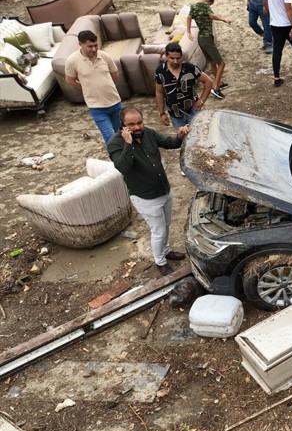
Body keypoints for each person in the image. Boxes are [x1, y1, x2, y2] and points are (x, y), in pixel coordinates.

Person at [108, 107, 189, 276]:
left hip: (163, 189)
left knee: (166, 225)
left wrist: (180, 136)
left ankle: (166, 251)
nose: (137, 127)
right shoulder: (116, 143)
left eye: (139, 122)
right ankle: (161, 262)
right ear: (122, 125)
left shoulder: (149, 133)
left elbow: (169, 143)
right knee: (158, 231)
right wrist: (128, 144)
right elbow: (123, 166)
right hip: (145, 197)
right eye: (131, 124)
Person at [64, 30, 122, 146]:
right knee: (109, 137)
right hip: (96, 107)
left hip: (115, 102)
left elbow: (115, 75)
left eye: (96, 45)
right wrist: (86, 87)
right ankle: (116, 161)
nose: (94, 49)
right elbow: (70, 80)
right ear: (80, 44)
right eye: (90, 46)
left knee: (121, 133)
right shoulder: (72, 61)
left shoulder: (105, 56)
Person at [154, 42, 213, 129]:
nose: (175, 61)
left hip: (193, 111)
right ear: (166, 56)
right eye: (172, 58)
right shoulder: (160, 72)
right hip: (175, 115)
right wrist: (162, 113)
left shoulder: (189, 68)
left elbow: (208, 81)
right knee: (182, 138)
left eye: (178, 58)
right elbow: (159, 93)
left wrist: (201, 100)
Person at [187, 0, 232, 100]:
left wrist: (188, 31)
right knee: (221, 63)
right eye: (210, 3)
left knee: (212, 61)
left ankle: (219, 83)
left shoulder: (193, 7)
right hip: (207, 38)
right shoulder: (205, 6)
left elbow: (188, 17)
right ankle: (215, 87)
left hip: (200, 38)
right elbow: (211, 15)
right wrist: (223, 19)